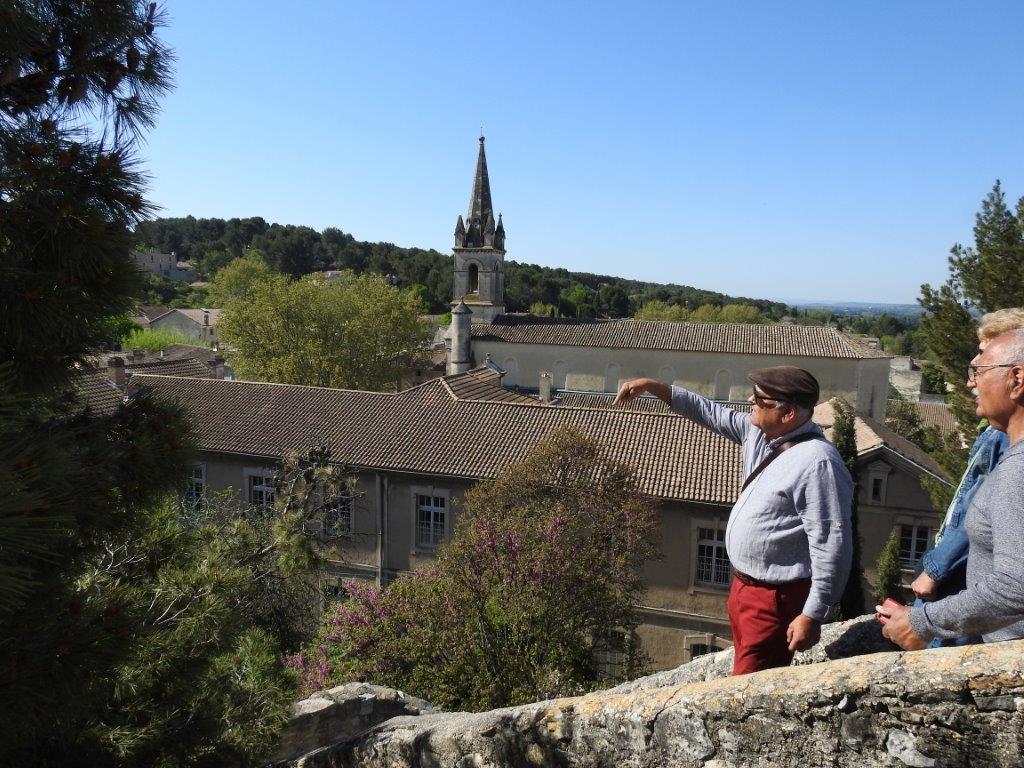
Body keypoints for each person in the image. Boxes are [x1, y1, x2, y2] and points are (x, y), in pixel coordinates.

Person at [614, 366, 853, 675]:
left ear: (789, 413)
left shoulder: (818, 464)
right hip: (743, 588)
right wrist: (654, 387)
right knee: (744, 669)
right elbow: (709, 412)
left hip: (774, 600)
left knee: (747, 686)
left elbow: (832, 545)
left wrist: (813, 614)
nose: (749, 400)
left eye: (760, 398)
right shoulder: (759, 432)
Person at [880, 328, 1024, 648]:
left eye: (980, 371)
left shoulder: (1018, 471)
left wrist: (921, 621)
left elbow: (1017, 585)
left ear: (1017, 379)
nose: (971, 382)